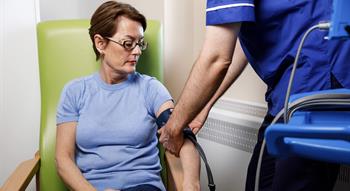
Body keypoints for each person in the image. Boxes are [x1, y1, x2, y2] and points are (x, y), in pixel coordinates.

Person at [158, 0, 350, 191]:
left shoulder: (151, 88)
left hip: (317, 80)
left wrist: (173, 128)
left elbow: (217, 58)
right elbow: (239, 38)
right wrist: (203, 106)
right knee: (260, 181)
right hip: (294, 89)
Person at [55, 1, 200, 191]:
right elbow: (63, 159)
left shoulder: (151, 89)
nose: (137, 51)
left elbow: (184, 139)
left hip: (143, 186)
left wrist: (191, 183)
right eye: (128, 43)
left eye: (139, 43)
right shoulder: (74, 92)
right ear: (100, 43)